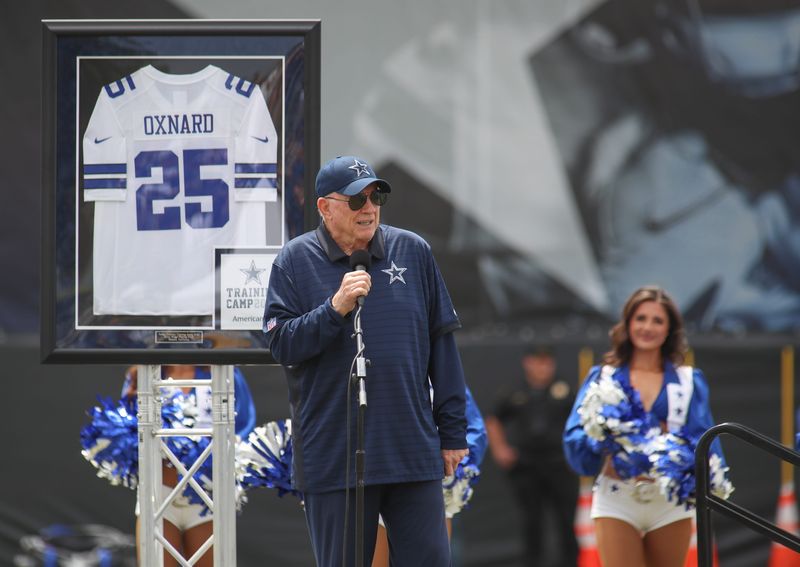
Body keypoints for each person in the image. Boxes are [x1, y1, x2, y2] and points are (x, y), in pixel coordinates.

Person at [264, 155, 468, 567]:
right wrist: (334, 308)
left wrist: (452, 433)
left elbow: (441, 345)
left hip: (410, 448)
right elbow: (281, 344)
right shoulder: (294, 260)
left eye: (376, 197)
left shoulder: (413, 250)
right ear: (325, 207)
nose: (369, 208)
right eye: (356, 200)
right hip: (334, 454)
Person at [563, 286, 730, 567]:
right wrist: (603, 440)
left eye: (657, 320)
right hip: (617, 497)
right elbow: (576, 439)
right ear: (627, 324)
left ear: (669, 330)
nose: (647, 327)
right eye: (640, 318)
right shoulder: (604, 378)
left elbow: (706, 442)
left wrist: (700, 471)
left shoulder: (689, 381)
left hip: (669, 502)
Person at [120, 364, 256, 567]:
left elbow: (243, 428)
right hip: (158, 495)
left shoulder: (223, 370)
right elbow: (124, 430)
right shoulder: (146, 371)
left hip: (206, 498)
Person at [371, 385, 487, 567]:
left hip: (430, 479)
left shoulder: (440, 377)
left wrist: (456, 466)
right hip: (381, 473)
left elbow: (472, 427)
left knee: (430, 555)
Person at [485, 345, 578, 567]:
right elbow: (493, 418)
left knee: (566, 521)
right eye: (537, 361)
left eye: (547, 361)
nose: (542, 367)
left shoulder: (564, 389)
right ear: (527, 362)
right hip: (527, 466)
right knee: (531, 522)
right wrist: (500, 449)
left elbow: (581, 420)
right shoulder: (515, 391)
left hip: (559, 465)